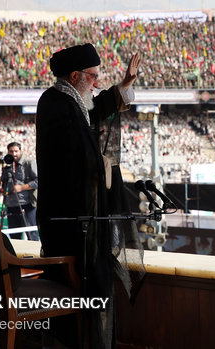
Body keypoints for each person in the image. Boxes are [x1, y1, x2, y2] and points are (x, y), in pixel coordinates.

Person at [36, 43, 145, 349]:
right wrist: (107, 166)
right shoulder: (58, 104)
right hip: (70, 223)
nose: (98, 82)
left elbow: (95, 112)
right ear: (75, 76)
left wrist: (124, 85)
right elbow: (84, 159)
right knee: (89, 292)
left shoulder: (68, 100)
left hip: (73, 218)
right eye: (94, 76)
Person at [0, 142, 39, 240]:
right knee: (14, 237)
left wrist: (22, 187)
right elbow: (4, 182)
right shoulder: (7, 164)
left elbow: (38, 181)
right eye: (11, 151)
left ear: (20, 151)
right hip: (11, 205)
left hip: (27, 205)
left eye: (16, 151)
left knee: (31, 235)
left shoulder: (29, 162)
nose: (14, 154)